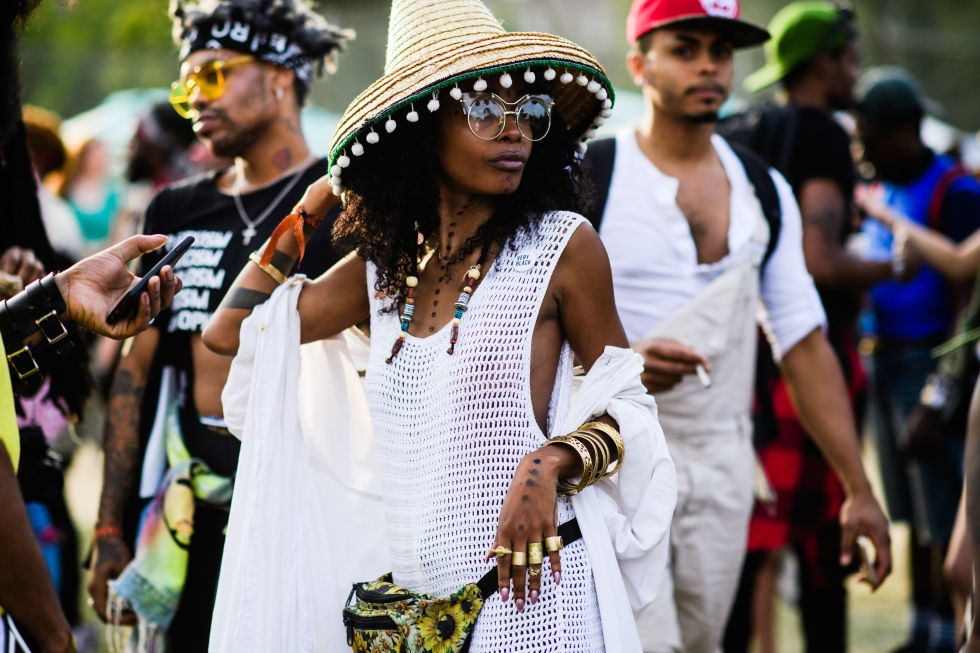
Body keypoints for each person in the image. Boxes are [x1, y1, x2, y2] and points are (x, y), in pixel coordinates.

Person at [202, 0, 676, 650]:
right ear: (419, 129)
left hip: (539, 602)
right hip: (420, 622)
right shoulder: (381, 273)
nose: (514, 132)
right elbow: (229, 331)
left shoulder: (561, 247)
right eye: (486, 110)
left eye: (528, 112)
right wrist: (309, 208)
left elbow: (630, 408)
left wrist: (548, 464)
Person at [584, 1, 892, 651]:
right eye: (685, 47)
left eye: (720, 51)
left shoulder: (764, 189)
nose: (707, 66)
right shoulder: (591, 176)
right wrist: (623, 359)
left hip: (724, 458)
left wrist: (859, 489)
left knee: (702, 640)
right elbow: (528, 321)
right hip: (608, 457)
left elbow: (803, 341)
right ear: (639, 64)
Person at [85, 0, 353, 649]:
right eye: (185, 82)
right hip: (190, 519)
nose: (192, 98)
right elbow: (136, 373)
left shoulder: (340, 202)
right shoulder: (178, 206)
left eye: (212, 75)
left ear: (279, 79)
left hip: (304, 511)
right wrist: (110, 526)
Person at [717, 4, 899, 651]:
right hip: (806, 360)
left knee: (741, 547)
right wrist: (892, 264)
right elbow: (820, 261)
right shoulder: (822, 130)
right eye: (848, 58)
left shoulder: (738, 127)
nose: (855, 71)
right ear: (821, 63)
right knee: (828, 547)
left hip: (742, 370)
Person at [853, 67, 980, 653]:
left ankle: (941, 632)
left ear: (905, 129)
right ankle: (922, 629)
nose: (863, 148)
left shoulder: (954, 190)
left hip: (931, 363)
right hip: (883, 357)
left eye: (872, 135)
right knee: (906, 504)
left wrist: (940, 390)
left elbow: (966, 288)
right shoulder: (884, 184)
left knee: (941, 504)